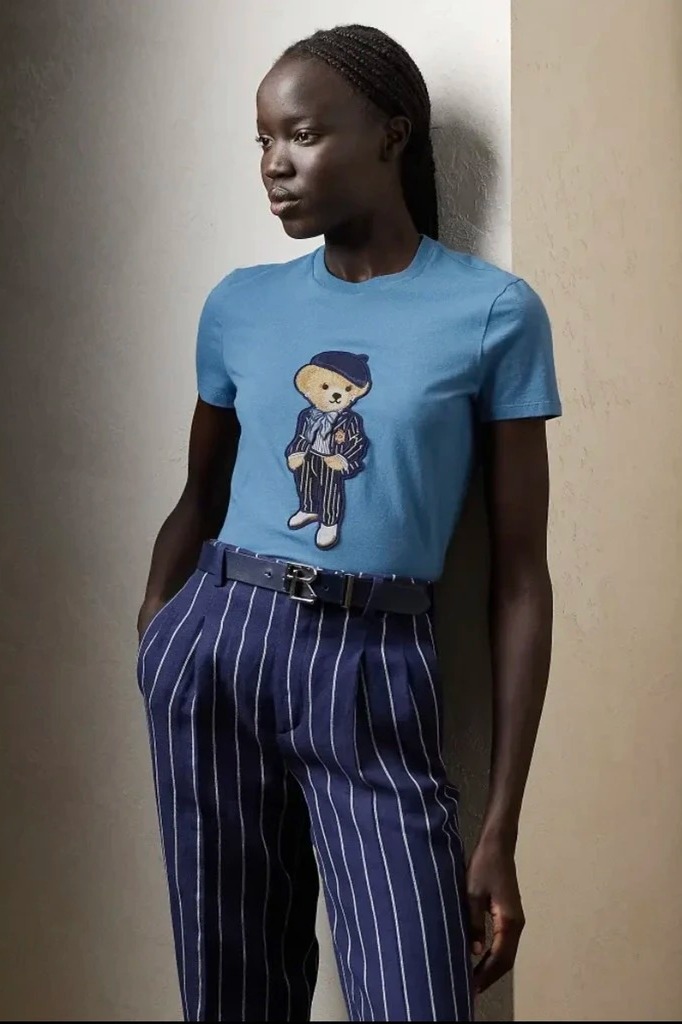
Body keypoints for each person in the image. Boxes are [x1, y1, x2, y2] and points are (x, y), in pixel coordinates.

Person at [136, 23, 561, 1024]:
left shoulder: (492, 312)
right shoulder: (240, 305)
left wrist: (500, 827)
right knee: (233, 995)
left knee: (416, 996)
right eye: (262, 141)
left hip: (373, 667)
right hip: (216, 650)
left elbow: (520, 577)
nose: (273, 165)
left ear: (390, 135)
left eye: (303, 134)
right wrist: (158, 635)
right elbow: (199, 496)